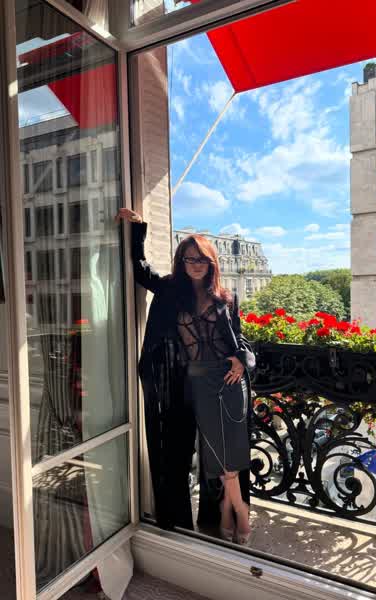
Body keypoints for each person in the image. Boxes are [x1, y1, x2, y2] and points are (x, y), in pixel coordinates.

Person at [115, 207, 255, 544]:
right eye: (190, 258)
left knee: (224, 453)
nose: (196, 264)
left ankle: (225, 513)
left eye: (202, 259)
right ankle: (186, 519)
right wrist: (137, 228)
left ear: (211, 263)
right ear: (181, 261)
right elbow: (140, 268)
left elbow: (239, 340)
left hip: (224, 382)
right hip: (184, 383)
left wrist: (242, 359)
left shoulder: (225, 299)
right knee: (182, 452)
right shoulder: (169, 290)